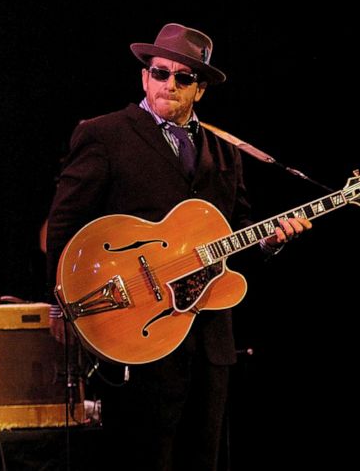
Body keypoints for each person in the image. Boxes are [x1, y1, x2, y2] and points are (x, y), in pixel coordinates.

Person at [46, 23, 311, 471]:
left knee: (201, 460)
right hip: (140, 330)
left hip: (209, 338)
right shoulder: (105, 134)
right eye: (159, 72)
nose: (168, 84)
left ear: (200, 90)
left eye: (183, 78)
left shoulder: (226, 152)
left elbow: (238, 226)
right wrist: (62, 305)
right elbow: (66, 224)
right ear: (144, 77)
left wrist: (269, 240)